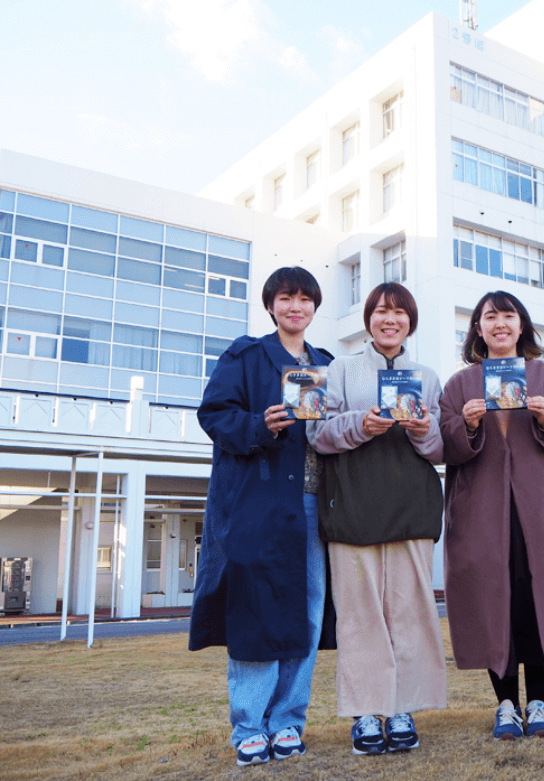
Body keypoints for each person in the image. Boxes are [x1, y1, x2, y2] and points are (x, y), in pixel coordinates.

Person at [190, 266, 336, 767]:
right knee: (255, 610)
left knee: (309, 612)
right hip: (260, 503)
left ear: (315, 307)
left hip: (316, 505)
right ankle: (250, 726)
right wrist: (259, 424)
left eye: (304, 299)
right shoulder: (246, 355)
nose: (296, 307)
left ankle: (289, 721)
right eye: (286, 298)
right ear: (271, 305)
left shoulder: (327, 364)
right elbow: (213, 415)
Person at [440, 290, 544, 741]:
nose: (500, 324)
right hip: (482, 515)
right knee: (495, 605)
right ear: (478, 329)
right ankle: (506, 704)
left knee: (538, 603)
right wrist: (466, 427)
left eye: (508, 316)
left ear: (522, 325)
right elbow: (443, 447)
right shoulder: (460, 385)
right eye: (490, 317)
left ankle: (540, 702)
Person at [307, 282, 447, 756]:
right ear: (367, 319)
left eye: (400, 312)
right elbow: (317, 433)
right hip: (352, 505)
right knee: (359, 615)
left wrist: (425, 430)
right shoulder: (340, 369)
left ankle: (404, 706)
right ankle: (367, 712)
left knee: (409, 612)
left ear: (411, 321)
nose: (391, 320)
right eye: (382, 311)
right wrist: (359, 425)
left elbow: (443, 450)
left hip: (412, 505)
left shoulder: (427, 376)